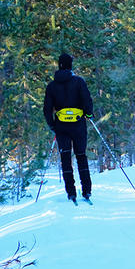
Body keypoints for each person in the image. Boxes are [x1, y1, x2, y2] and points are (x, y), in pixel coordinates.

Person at [43, 53, 94, 204]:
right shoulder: (79, 81)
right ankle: (87, 190)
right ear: (70, 65)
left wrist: (52, 124)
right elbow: (87, 100)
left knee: (66, 158)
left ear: (59, 65)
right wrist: (89, 114)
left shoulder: (52, 86)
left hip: (61, 126)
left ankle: (71, 192)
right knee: (81, 156)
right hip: (78, 124)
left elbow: (47, 108)